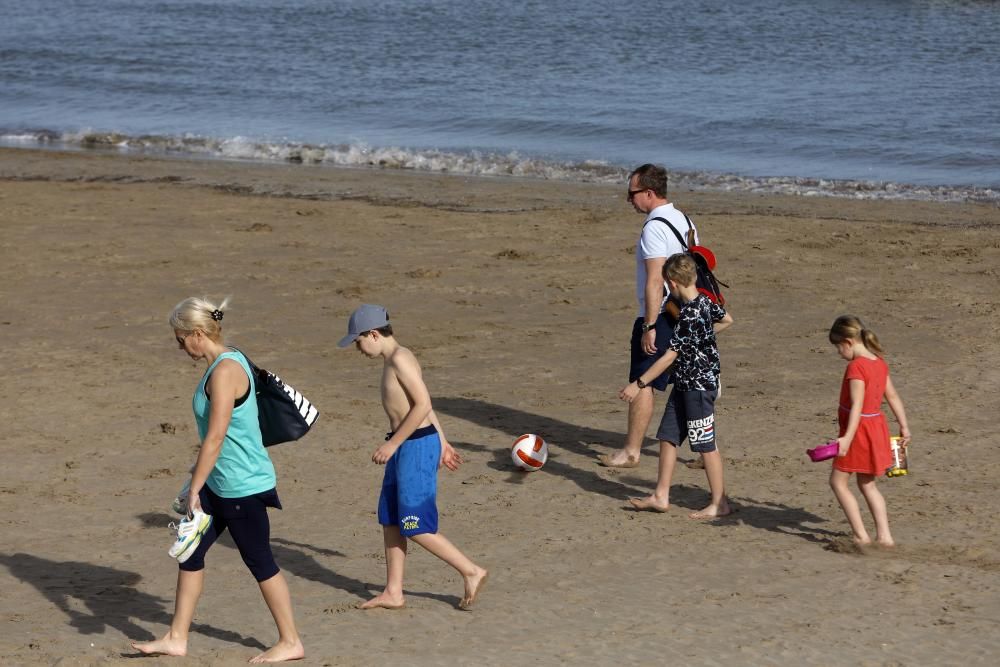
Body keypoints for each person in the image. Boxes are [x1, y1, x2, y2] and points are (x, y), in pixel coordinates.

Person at [132, 297, 304, 663]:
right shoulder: (228, 360)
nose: (180, 347)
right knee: (190, 550)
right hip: (220, 482)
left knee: (259, 560)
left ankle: (290, 641)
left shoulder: (226, 371)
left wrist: (195, 485)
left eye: (180, 339)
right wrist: (199, 481)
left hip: (243, 486)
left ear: (197, 334)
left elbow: (217, 435)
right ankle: (177, 637)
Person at [337, 304, 488, 610]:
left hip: (414, 447)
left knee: (413, 523)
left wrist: (394, 446)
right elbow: (424, 406)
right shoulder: (393, 359)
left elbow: (422, 404)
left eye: (358, 341)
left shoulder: (401, 359)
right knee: (391, 519)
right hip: (409, 444)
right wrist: (444, 441)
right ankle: (394, 592)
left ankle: (471, 570)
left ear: (374, 334)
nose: (357, 347)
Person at [598, 163, 699, 469]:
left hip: (664, 314)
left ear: (650, 193)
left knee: (643, 382)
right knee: (691, 383)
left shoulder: (654, 227)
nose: (629, 200)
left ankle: (631, 451)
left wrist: (650, 325)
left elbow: (655, 279)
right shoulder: (686, 220)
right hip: (688, 312)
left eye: (632, 193)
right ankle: (704, 451)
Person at [619, 254, 734, 519]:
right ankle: (661, 495)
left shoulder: (689, 315)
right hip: (683, 383)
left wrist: (639, 384)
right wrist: (703, 337)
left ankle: (720, 503)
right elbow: (728, 319)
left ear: (671, 282)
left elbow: (669, 356)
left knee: (706, 444)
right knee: (668, 437)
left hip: (698, 387)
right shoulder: (706, 302)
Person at [827, 315, 911, 547]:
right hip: (877, 428)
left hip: (858, 432)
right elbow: (892, 395)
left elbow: (857, 406)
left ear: (848, 342)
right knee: (867, 484)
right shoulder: (879, 362)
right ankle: (885, 537)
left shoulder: (856, 367)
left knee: (838, 482)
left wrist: (846, 438)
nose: (838, 353)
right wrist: (904, 426)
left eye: (837, 347)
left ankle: (860, 535)